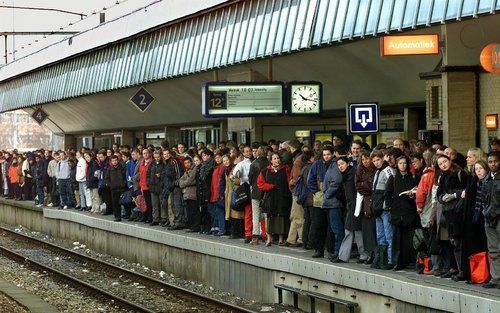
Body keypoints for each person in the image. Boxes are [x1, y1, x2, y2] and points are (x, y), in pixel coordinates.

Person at [436, 154, 469, 281]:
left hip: (458, 211)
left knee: (459, 241)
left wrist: (454, 195)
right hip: (448, 212)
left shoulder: (460, 173)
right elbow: (440, 195)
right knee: (453, 242)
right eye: (440, 164)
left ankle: (462, 269)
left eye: (445, 161)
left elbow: (466, 191)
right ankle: (458, 268)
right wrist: (444, 198)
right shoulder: (442, 177)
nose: (443, 165)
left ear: (450, 161)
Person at [385, 156, 420, 270]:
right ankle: (397, 262)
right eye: (400, 163)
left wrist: (412, 194)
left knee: (408, 239)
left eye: (405, 163)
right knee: (397, 238)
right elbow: (388, 194)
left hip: (409, 211)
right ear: (397, 164)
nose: (403, 165)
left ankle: (408, 261)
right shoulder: (393, 178)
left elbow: (417, 191)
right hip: (397, 212)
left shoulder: (413, 177)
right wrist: (390, 206)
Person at [460, 159, 489, 281]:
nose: (478, 172)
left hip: (487, 217)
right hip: (477, 218)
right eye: (476, 169)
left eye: (480, 169)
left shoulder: (489, 182)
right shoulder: (475, 183)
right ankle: (479, 274)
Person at [258, 152, 292, 246]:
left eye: (278, 158)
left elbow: (289, 181)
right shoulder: (265, 171)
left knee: (281, 218)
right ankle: (269, 239)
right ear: (271, 160)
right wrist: (270, 186)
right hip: (270, 198)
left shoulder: (285, 169)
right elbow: (260, 184)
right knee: (269, 218)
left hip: (282, 197)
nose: (277, 160)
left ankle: (281, 239)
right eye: (275, 158)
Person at [335, 156, 364, 263]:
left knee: (353, 230)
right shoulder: (348, 174)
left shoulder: (351, 175)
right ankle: (362, 254)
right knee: (355, 230)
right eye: (338, 165)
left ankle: (346, 256)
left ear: (348, 163)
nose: (340, 167)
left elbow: (353, 193)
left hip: (355, 206)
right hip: (352, 206)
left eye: (342, 164)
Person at [371, 149, 395, 269]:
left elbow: (390, 190)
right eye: (374, 161)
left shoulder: (388, 171)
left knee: (388, 235)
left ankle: (390, 260)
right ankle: (382, 260)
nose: (376, 163)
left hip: (385, 207)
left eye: (378, 160)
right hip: (378, 208)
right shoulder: (377, 172)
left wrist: (387, 205)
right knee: (381, 236)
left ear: (383, 158)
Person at [355, 150, 377, 264]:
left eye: (367, 159)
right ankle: (369, 252)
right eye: (363, 159)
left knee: (373, 230)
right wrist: (365, 184)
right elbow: (358, 186)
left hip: (372, 202)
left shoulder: (375, 169)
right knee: (366, 230)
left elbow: (373, 185)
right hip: (364, 204)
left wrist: (365, 184)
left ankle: (374, 253)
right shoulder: (360, 169)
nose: (365, 161)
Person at [483, 152, 500, 288]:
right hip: (489, 217)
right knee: (493, 250)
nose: (493, 164)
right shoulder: (487, 179)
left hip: (498, 216)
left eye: (495, 161)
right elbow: (485, 199)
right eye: (490, 162)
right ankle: (495, 278)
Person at [248, 146, 269, 245]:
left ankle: (255, 237)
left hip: (256, 192)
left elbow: (250, 179)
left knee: (255, 215)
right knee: (266, 215)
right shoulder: (269, 164)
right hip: (267, 192)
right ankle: (267, 236)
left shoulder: (253, 164)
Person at [232, 146, 253, 243]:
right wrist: (237, 174)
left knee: (260, 214)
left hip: (257, 189)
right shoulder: (241, 164)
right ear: (243, 153)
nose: (248, 153)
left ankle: (261, 233)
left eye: (250, 151)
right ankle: (248, 234)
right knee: (248, 213)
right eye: (246, 151)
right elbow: (237, 172)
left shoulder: (256, 161)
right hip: (247, 190)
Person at [287, 139, 305, 247]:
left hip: (297, 191)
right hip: (298, 191)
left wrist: (292, 182)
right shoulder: (300, 157)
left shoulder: (297, 160)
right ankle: (291, 239)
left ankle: (301, 238)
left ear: (292, 148)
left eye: (289, 149)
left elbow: (298, 177)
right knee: (294, 215)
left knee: (297, 216)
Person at [222, 153, 245, 238]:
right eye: (224, 161)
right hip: (229, 194)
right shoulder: (227, 170)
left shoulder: (236, 168)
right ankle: (234, 232)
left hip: (235, 193)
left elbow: (240, 181)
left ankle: (237, 233)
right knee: (232, 214)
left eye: (227, 160)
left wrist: (232, 180)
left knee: (236, 214)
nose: (226, 162)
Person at [164, 149, 185, 229]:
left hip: (176, 186)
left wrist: (176, 183)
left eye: (167, 154)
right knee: (172, 204)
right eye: (164, 154)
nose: (166, 155)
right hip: (171, 187)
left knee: (177, 204)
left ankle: (179, 222)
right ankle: (176, 221)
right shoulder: (167, 163)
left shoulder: (174, 162)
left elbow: (179, 174)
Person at [179, 157, 200, 232]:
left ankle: (195, 226)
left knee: (194, 211)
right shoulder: (186, 171)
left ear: (191, 162)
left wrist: (184, 183)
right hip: (187, 194)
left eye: (188, 162)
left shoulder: (193, 170)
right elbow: (180, 181)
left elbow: (190, 180)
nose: (187, 164)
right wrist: (184, 183)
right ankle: (192, 226)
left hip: (193, 194)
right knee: (189, 211)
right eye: (185, 163)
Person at [105, 155, 127, 222]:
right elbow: (107, 178)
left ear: (117, 160)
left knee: (124, 202)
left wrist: (124, 184)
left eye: (115, 160)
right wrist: (110, 185)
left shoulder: (122, 167)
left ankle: (127, 214)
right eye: (113, 161)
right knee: (115, 203)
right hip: (113, 188)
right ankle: (117, 216)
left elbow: (125, 176)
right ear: (111, 162)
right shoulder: (110, 169)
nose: (114, 162)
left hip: (122, 188)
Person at [147, 150, 166, 226]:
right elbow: (148, 174)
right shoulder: (152, 164)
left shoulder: (163, 164)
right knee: (154, 204)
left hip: (160, 186)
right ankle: (155, 219)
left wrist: (160, 175)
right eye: (155, 157)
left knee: (162, 204)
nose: (157, 158)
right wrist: (148, 183)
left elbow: (165, 174)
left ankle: (163, 218)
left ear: (160, 156)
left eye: (158, 157)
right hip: (153, 186)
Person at [209, 151, 226, 235]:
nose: (217, 159)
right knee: (217, 211)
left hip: (219, 193)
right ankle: (218, 228)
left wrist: (220, 193)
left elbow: (220, 182)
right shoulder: (216, 168)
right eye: (216, 158)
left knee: (220, 211)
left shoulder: (222, 167)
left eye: (219, 157)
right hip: (216, 193)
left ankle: (221, 229)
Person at [137, 149, 153, 223]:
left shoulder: (152, 162)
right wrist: (141, 186)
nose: (145, 154)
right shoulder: (142, 162)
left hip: (149, 186)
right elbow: (141, 175)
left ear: (149, 154)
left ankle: (150, 217)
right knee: (145, 202)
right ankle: (146, 216)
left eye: (147, 153)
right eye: (144, 153)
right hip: (143, 186)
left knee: (150, 203)